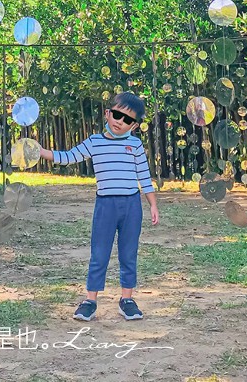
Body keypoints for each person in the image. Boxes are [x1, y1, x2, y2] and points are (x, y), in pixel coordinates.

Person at [38, 92, 159, 322]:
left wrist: (152, 204)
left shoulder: (135, 145)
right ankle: (90, 300)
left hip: (132, 205)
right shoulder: (95, 142)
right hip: (105, 205)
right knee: (99, 254)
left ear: (134, 126)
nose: (119, 122)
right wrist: (43, 152)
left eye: (127, 120)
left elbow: (144, 177)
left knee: (128, 253)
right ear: (107, 113)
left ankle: (127, 300)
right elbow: (69, 156)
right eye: (116, 115)